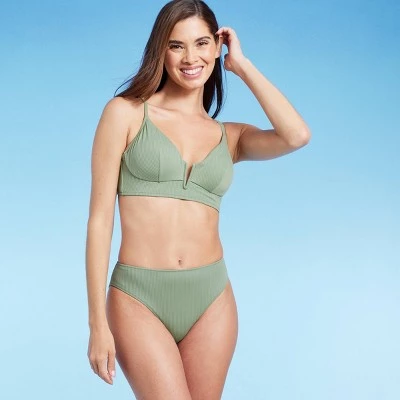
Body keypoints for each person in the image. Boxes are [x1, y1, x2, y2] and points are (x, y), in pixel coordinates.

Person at [85, 0, 311, 398]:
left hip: (211, 298)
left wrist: (242, 66)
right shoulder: (125, 114)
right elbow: (100, 221)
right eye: (177, 46)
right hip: (138, 297)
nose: (191, 58)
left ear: (217, 47)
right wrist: (96, 324)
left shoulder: (230, 137)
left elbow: (297, 135)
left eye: (202, 43)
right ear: (161, 51)